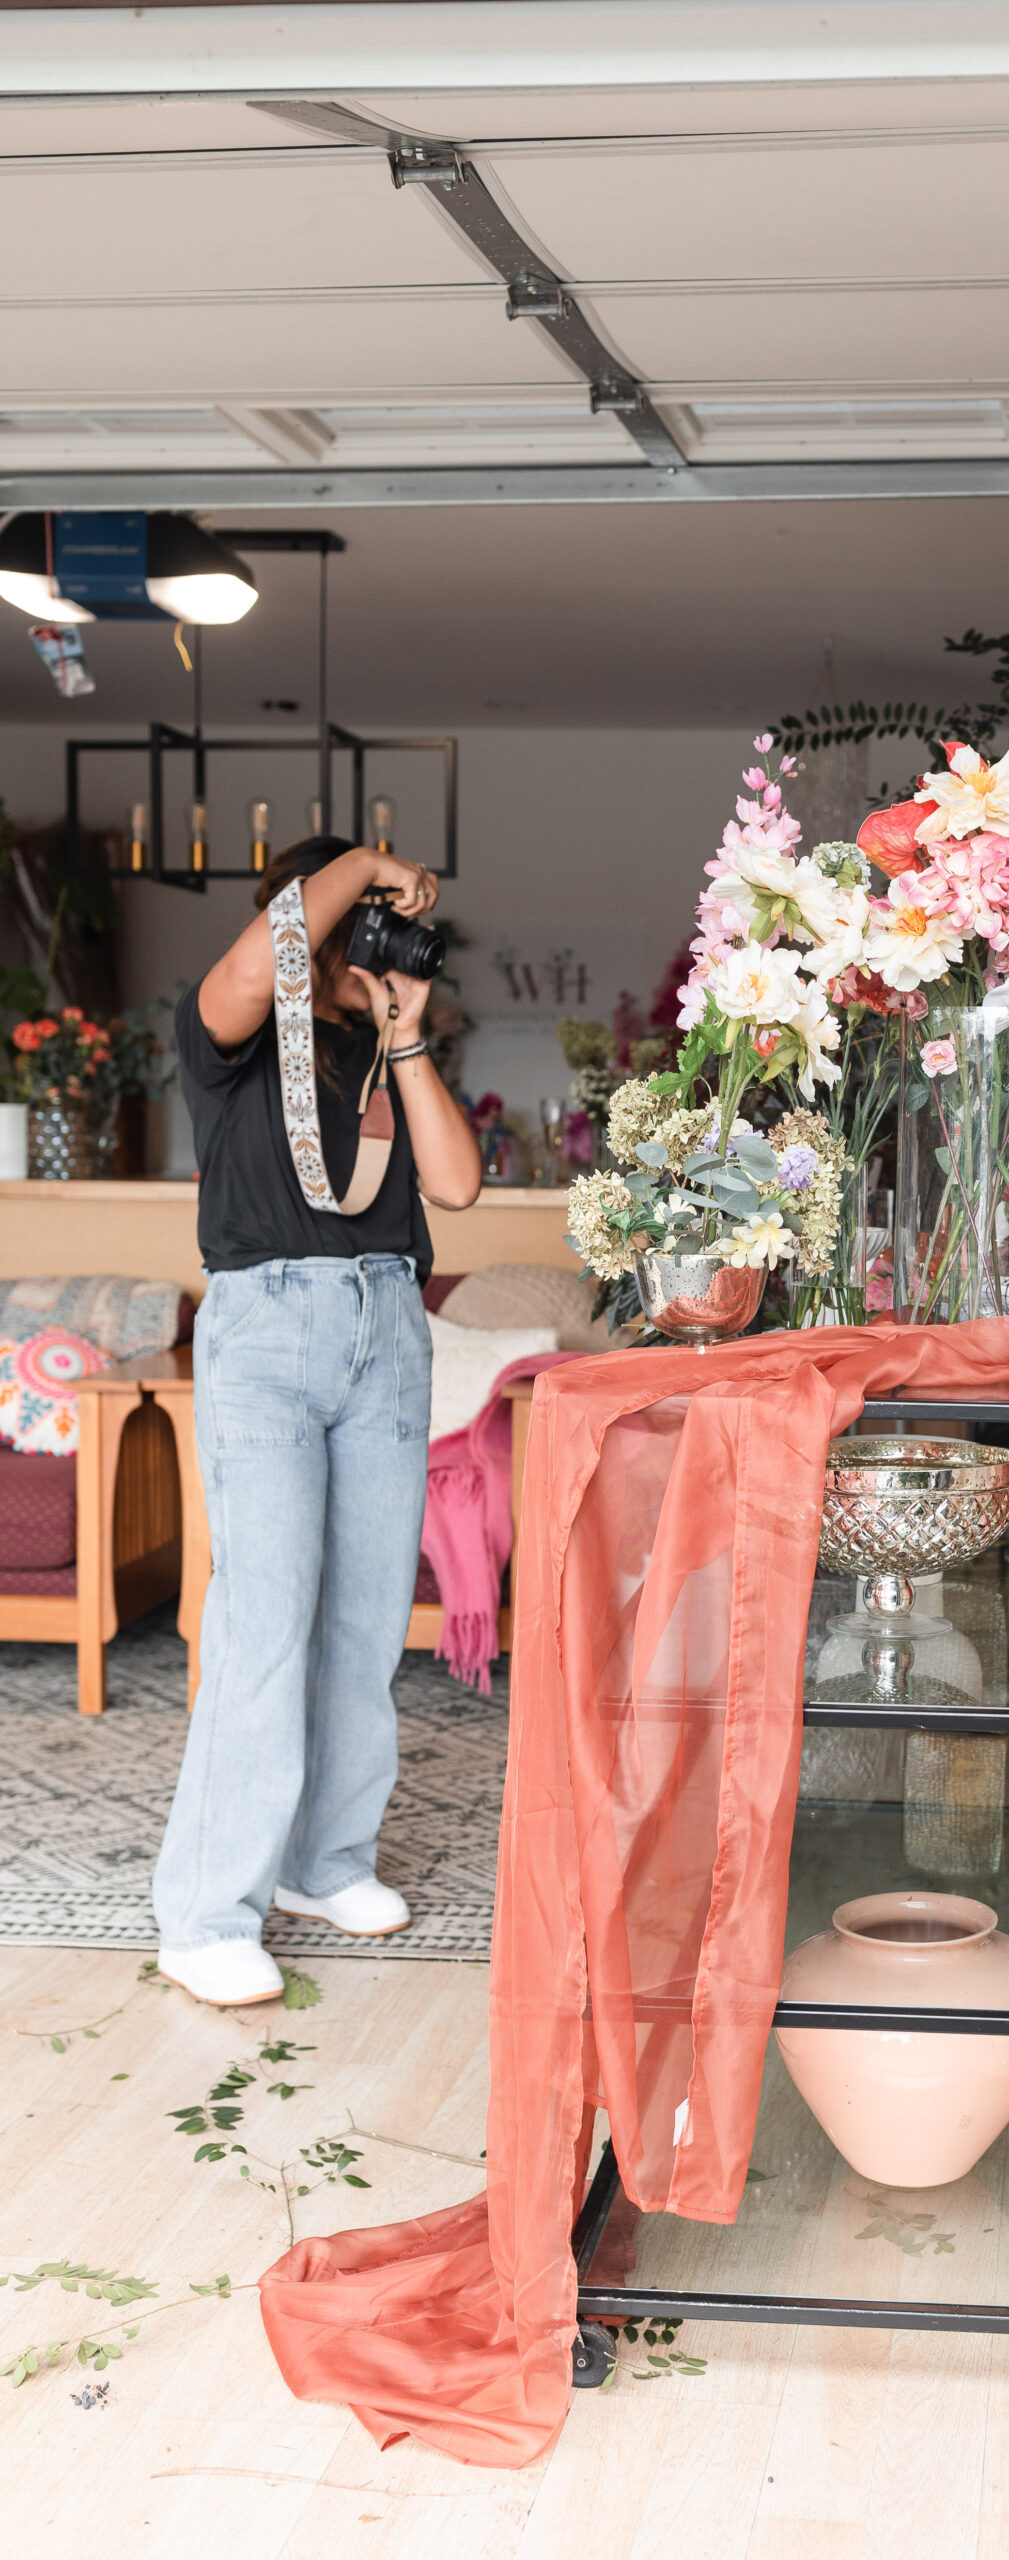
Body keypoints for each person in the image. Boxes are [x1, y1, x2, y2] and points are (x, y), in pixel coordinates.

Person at [153, 836, 482, 2007]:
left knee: (361, 1622)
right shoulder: (232, 1032)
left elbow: (455, 1186)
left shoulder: (377, 1051)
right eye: (364, 922)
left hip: (385, 1324)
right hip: (269, 1329)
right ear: (320, 921)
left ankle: (323, 1861)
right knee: (265, 1623)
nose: (379, 941)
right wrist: (370, 864)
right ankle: (203, 1916)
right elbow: (264, 958)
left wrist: (404, 1031)